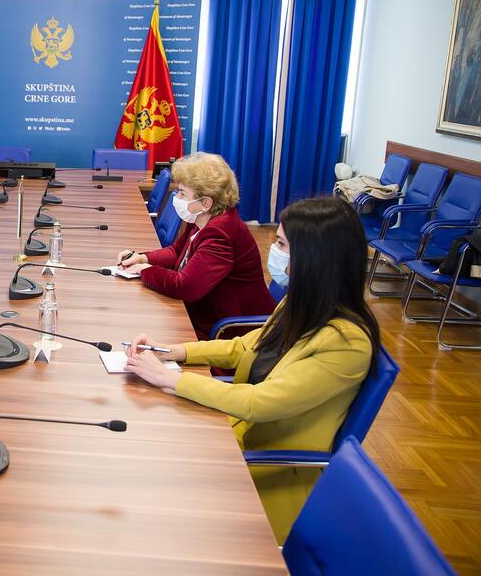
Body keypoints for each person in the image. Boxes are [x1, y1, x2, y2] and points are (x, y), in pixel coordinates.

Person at [122, 196, 380, 543]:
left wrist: (168, 378)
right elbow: (242, 347)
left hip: (264, 469)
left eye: (282, 244)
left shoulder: (346, 343)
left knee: (150, 485)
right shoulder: (302, 302)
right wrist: (169, 351)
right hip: (236, 436)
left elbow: (260, 402)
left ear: (314, 258)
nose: (273, 250)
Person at [116, 152, 275, 338]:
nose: (177, 197)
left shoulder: (221, 233)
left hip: (232, 331)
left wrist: (145, 271)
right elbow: (176, 251)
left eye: (182, 193)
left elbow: (185, 287)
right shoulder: (202, 218)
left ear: (206, 202)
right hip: (204, 313)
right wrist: (143, 258)